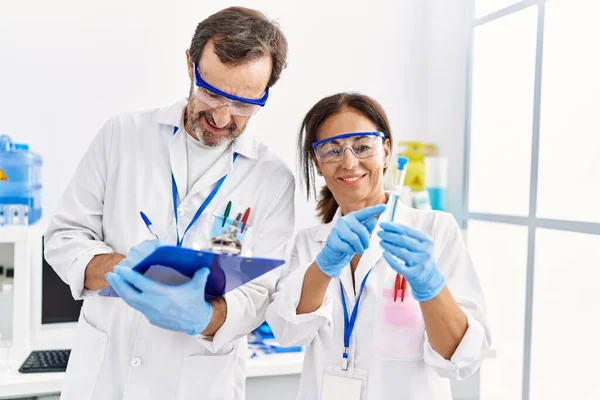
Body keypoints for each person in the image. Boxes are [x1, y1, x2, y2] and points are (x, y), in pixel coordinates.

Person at [44, 7, 294, 400]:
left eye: (245, 104)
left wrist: (203, 317)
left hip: (200, 382)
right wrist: (121, 268)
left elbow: (259, 293)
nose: (223, 115)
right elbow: (64, 237)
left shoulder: (273, 179)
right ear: (190, 66)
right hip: (106, 378)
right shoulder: (122, 136)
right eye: (212, 92)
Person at [266, 93, 491, 399]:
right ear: (317, 163)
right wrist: (324, 266)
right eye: (332, 150)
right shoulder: (309, 244)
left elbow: (462, 358)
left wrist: (430, 286)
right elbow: (287, 331)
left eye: (362, 146)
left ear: (385, 152)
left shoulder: (436, 231)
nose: (349, 161)